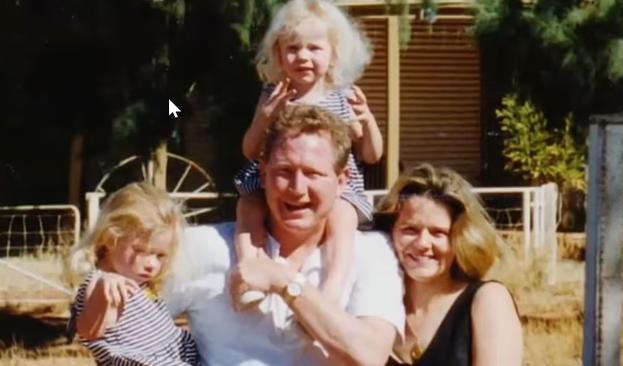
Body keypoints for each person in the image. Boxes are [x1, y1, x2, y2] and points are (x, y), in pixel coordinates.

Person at [165, 104, 404, 365]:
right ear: (264, 174)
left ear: (342, 180)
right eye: (284, 172)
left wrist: (283, 281)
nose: (297, 188)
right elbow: (131, 324)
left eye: (313, 173)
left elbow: (370, 356)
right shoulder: (203, 247)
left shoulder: (371, 253)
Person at [233, 0, 383, 306]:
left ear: (333, 54)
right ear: (278, 53)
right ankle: (251, 271)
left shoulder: (341, 95)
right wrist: (264, 117)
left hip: (333, 187)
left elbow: (370, 155)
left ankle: (333, 285)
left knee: (342, 215)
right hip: (275, 180)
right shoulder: (272, 94)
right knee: (248, 206)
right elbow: (250, 150)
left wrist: (367, 120)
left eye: (314, 48)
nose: (303, 56)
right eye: (293, 48)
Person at [374, 164, 523, 366]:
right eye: (410, 230)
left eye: (438, 233)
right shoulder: (375, 304)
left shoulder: (488, 300)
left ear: (461, 238)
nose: (422, 244)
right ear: (390, 232)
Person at [67, 182, 200, 366]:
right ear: (110, 238)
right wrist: (103, 292)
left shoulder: (139, 283)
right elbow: (88, 330)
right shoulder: (103, 283)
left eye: (160, 255)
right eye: (140, 250)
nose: (152, 264)